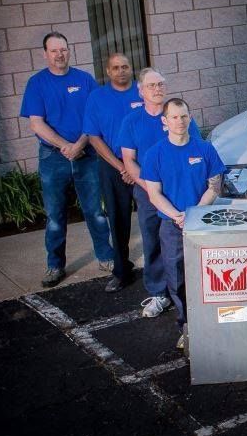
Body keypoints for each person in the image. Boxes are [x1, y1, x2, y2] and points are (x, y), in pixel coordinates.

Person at [20, 31, 114, 287]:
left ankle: (106, 257)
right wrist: (66, 146)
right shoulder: (37, 83)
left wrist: (80, 144)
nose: (59, 54)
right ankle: (55, 265)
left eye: (63, 49)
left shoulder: (84, 80)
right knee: (55, 215)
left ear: (69, 51)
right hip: (53, 158)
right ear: (45, 54)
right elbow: (36, 124)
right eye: (54, 51)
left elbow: (95, 117)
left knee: (95, 211)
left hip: (86, 154)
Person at [139, 98, 225, 350]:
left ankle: (214, 326)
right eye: (174, 117)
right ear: (164, 121)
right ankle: (187, 327)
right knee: (177, 279)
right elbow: (153, 194)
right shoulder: (154, 154)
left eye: (184, 116)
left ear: (190, 118)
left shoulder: (205, 149)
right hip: (172, 226)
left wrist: (193, 214)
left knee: (210, 277)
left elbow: (215, 186)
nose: (180, 121)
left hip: (203, 222)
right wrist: (177, 216)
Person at [118, 69, 200, 318]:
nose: (157, 89)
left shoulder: (177, 115)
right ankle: (158, 293)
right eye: (151, 85)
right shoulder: (131, 121)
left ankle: (191, 291)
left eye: (161, 84)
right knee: (153, 240)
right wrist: (150, 188)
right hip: (148, 193)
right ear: (141, 91)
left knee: (187, 242)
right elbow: (129, 160)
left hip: (181, 192)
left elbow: (195, 149)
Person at [82, 53, 143, 292]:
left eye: (125, 66)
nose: (121, 71)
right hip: (113, 165)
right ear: (108, 71)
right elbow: (93, 137)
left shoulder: (142, 91)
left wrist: (135, 167)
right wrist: (122, 167)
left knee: (154, 217)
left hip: (144, 164)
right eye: (115, 68)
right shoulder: (97, 97)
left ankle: (162, 270)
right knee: (118, 220)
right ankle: (121, 271)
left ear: (131, 68)